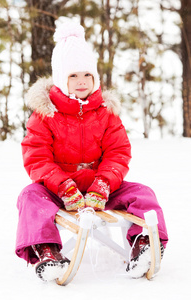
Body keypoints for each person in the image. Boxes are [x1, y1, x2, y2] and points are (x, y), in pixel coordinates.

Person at [15, 22, 168, 282]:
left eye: (87, 75)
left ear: (95, 77)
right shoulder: (45, 115)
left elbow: (118, 152)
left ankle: (145, 245)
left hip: (101, 189)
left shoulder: (106, 112)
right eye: (73, 76)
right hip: (59, 190)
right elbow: (37, 157)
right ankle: (47, 251)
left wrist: (104, 184)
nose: (81, 81)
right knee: (29, 196)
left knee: (142, 193)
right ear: (61, 78)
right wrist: (62, 186)